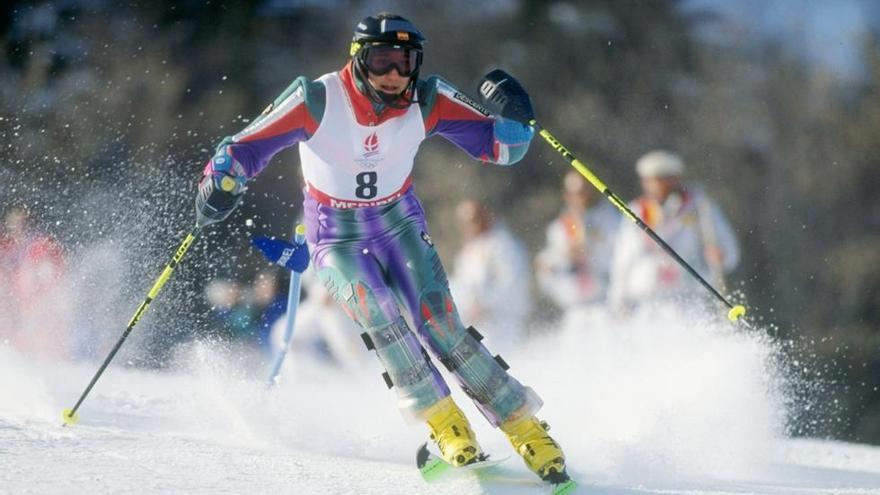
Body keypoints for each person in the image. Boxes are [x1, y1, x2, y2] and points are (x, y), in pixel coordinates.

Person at [192, 13, 570, 484]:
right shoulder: (317, 98)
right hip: (335, 232)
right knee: (380, 316)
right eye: (381, 61)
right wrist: (220, 180)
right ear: (358, 58)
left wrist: (518, 117)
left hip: (397, 222)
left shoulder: (427, 98)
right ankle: (446, 426)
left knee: (441, 325)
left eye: (405, 62)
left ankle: (526, 428)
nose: (394, 74)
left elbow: (501, 148)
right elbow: (245, 147)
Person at [608, 150, 740, 313]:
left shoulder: (701, 207)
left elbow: (730, 251)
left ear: (674, 179)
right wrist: (617, 300)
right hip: (646, 301)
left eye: (661, 179)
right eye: (649, 180)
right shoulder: (637, 210)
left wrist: (720, 255)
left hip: (689, 300)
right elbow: (623, 259)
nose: (655, 185)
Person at [536, 171, 619, 324]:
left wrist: (590, 253)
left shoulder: (611, 220)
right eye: (574, 193)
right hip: (574, 309)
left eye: (583, 191)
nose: (579, 197)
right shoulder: (560, 227)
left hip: (604, 304)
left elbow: (619, 258)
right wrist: (564, 258)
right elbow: (548, 267)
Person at [450, 200, 531, 349]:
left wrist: (485, 304)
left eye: (474, 220)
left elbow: (512, 281)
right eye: (465, 222)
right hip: (477, 324)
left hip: (503, 322)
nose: (470, 226)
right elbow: (462, 284)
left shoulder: (503, 243)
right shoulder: (469, 250)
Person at [0, 206, 69, 357]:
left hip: (36, 298)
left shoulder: (40, 243)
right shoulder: (6, 243)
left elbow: (53, 270)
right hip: (14, 300)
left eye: (20, 222)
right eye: (12, 222)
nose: (15, 227)